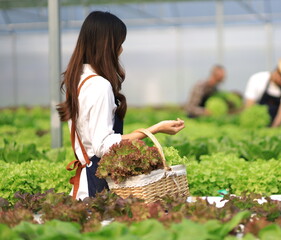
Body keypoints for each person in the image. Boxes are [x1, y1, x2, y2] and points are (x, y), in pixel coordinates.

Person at [56, 11, 185, 200]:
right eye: (119, 43)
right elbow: (103, 145)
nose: (121, 49)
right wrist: (155, 129)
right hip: (100, 188)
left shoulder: (78, 80)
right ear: (107, 45)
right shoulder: (99, 85)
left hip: (89, 181)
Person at [244, 57, 281, 127]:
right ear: (278, 71)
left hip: (275, 122)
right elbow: (249, 107)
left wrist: (273, 128)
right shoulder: (257, 79)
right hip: (257, 123)